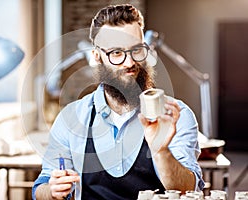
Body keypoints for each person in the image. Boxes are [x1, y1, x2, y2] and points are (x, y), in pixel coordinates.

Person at [32, 4, 204, 200]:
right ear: (97, 57)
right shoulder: (71, 118)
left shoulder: (176, 115)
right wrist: (52, 190)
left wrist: (161, 151)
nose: (129, 62)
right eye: (116, 53)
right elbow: (41, 187)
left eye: (136, 50)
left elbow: (188, 191)